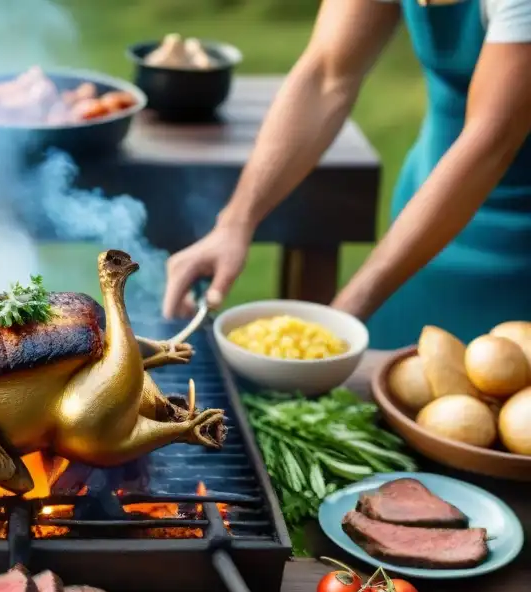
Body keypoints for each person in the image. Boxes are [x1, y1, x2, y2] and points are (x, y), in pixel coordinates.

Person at [162, 0, 531, 348]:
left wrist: (343, 315)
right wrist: (235, 223)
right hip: (424, 211)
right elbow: (325, 76)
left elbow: (491, 141)